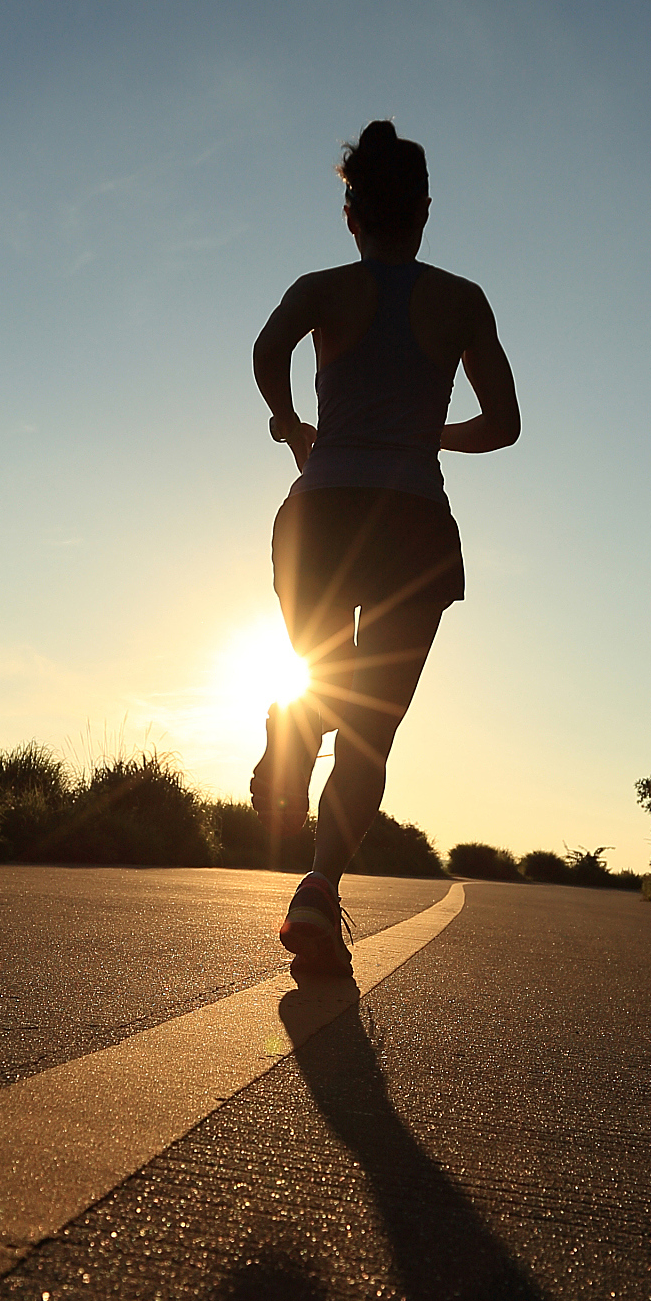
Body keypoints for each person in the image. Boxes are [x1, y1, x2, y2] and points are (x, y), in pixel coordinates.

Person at [251, 120, 520, 978]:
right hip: (409, 526)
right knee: (371, 728)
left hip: (323, 512)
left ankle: (293, 728)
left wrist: (297, 426)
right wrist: (430, 433)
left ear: (350, 213)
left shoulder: (322, 287)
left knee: (321, 676)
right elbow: (506, 424)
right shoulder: (461, 299)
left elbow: (267, 351)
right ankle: (318, 887)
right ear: (427, 212)